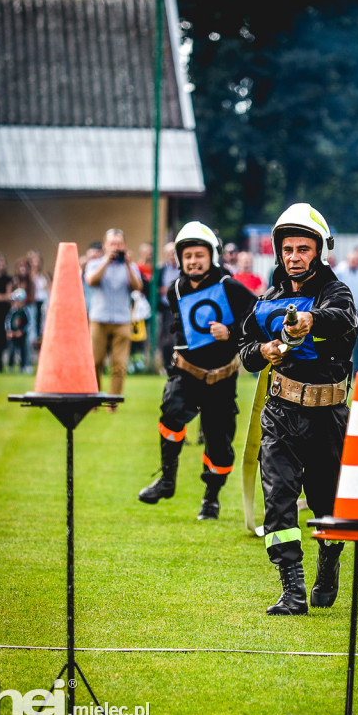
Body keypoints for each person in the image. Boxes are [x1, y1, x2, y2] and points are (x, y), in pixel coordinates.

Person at [239, 202, 358, 615]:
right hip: (280, 413)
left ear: (318, 251)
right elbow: (245, 350)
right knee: (279, 499)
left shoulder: (336, 292)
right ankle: (291, 590)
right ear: (278, 252)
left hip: (327, 417)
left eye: (303, 249)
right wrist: (262, 349)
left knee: (326, 501)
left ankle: (329, 560)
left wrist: (311, 322)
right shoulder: (267, 298)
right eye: (288, 249)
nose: (294, 256)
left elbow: (343, 319)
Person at [137, 221, 256, 520]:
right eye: (187, 255)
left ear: (211, 256)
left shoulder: (229, 285)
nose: (193, 261)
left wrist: (230, 331)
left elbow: (256, 317)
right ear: (180, 258)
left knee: (219, 445)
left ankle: (211, 499)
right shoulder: (175, 288)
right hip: (186, 372)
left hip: (223, 378)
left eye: (198, 255)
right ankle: (166, 480)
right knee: (171, 413)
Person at [84, 229, 142, 405]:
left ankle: (112, 404)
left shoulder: (130, 266)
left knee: (119, 365)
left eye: (119, 244)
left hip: (122, 320)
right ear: (105, 246)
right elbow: (91, 281)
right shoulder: (95, 264)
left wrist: (127, 265)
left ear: (124, 245)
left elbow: (137, 287)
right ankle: (93, 401)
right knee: (95, 362)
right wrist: (106, 261)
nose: (116, 248)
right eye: (112, 244)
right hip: (99, 319)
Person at [156, 241, 180, 373]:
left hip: (181, 309)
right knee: (166, 340)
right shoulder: (161, 270)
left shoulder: (183, 270)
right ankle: (167, 366)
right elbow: (156, 288)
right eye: (170, 253)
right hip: (166, 309)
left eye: (174, 253)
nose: (172, 255)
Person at [5, 288, 29, 371]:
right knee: (11, 350)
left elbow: (28, 322)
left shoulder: (25, 311)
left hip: (22, 335)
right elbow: (7, 321)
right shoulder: (12, 311)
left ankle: (24, 365)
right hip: (12, 334)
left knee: (24, 349)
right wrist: (9, 331)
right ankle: (10, 366)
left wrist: (22, 331)